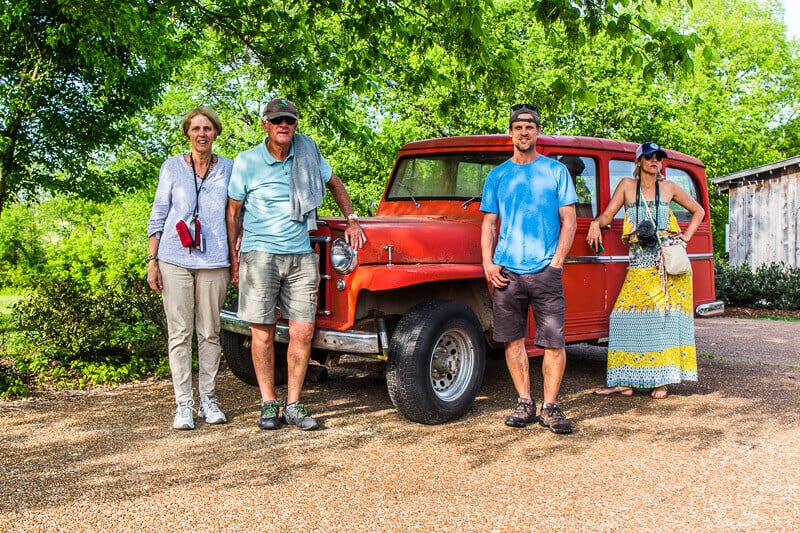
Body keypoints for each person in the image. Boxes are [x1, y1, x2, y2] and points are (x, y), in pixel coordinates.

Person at [226, 98, 366, 431]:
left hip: (301, 253)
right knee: (262, 332)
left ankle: (294, 403)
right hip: (259, 255)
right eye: (277, 121)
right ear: (265, 125)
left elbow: (335, 184)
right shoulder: (246, 162)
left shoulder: (307, 153)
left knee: (303, 331)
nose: (283, 125)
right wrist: (234, 259)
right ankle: (268, 403)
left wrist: (352, 220)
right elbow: (233, 212)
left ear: (295, 125)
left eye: (289, 120)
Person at [480, 104, 578, 434]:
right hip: (507, 271)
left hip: (545, 271)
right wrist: (488, 263)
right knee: (512, 341)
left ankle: (550, 406)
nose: (524, 131)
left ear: (538, 131)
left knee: (553, 342)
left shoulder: (555, 171)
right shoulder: (498, 176)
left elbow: (569, 222)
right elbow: (489, 224)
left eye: (530, 126)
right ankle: (524, 402)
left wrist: (557, 263)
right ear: (510, 132)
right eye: (518, 126)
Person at [588, 141, 704, 399]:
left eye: (659, 157)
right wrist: (596, 223)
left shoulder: (670, 188)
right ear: (638, 162)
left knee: (663, 322)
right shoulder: (628, 187)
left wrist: (685, 238)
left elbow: (699, 211)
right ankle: (625, 380)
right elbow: (608, 215)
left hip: (667, 269)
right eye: (649, 157)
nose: (655, 161)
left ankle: (661, 381)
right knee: (622, 318)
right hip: (640, 264)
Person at [147, 106, 233, 430]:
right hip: (174, 258)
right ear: (187, 133)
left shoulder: (228, 168)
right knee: (179, 333)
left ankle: (208, 398)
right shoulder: (171, 168)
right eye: (196, 128)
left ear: (215, 133)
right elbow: (158, 215)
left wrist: (238, 256)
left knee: (210, 332)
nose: (201, 134)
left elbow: (236, 215)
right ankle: (184, 403)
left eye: (207, 128)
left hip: (214, 261)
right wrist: (152, 261)